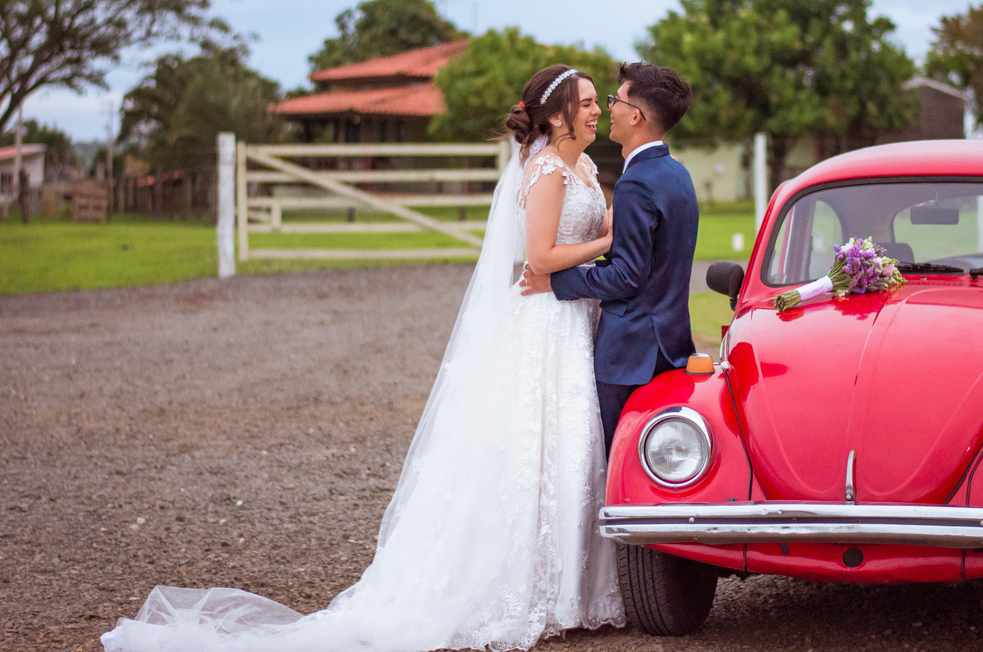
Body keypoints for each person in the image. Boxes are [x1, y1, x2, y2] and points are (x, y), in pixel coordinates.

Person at [101, 65, 625, 652]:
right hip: (545, 322)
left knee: (571, 445)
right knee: (538, 445)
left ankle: (569, 589)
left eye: (595, 103)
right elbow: (541, 257)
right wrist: (609, 241)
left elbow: (581, 235)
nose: (596, 111)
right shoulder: (547, 169)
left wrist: (611, 223)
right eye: (586, 102)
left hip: (574, 317)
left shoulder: (584, 167)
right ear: (555, 115)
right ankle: (531, 590)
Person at [521, 62, 698, 456]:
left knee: (616, 455)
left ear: (636, 116)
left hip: (630, 353)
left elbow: (627, 276)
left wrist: (556, 281)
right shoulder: (677, 174)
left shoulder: (637, 182)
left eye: (614, 100)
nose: (607, 109)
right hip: (668, 342)